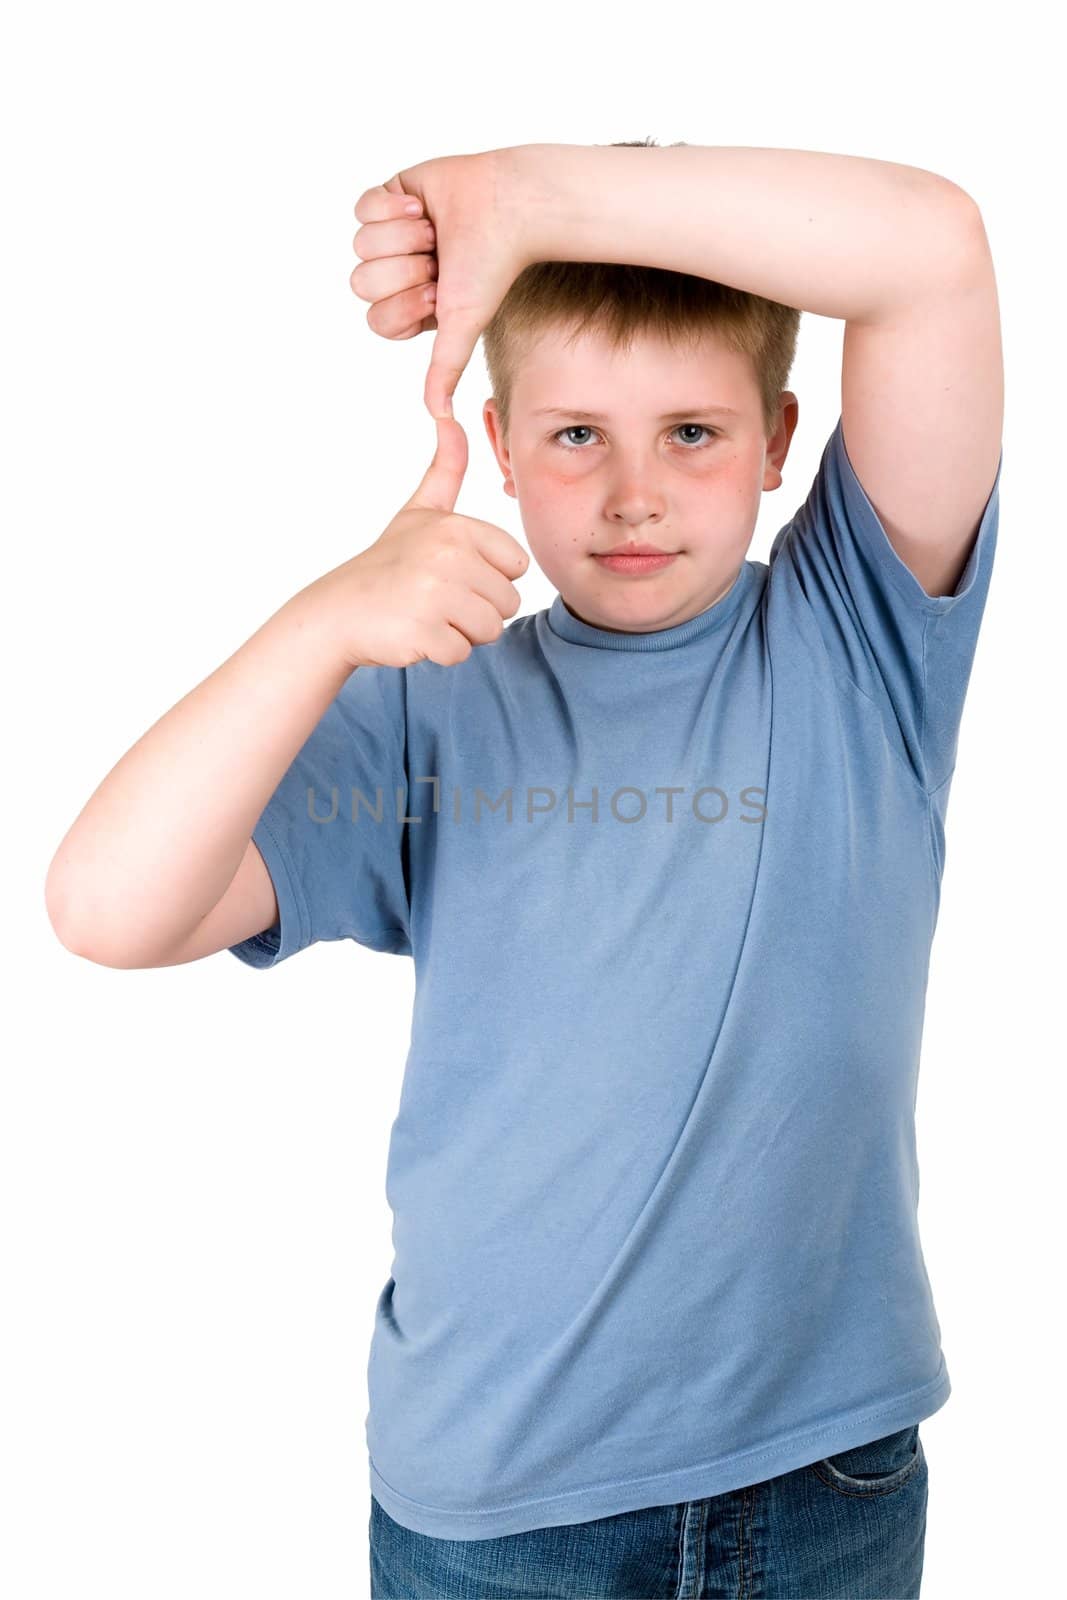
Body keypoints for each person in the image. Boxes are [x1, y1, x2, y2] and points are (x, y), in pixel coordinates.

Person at [45, 138, 1004, 1598]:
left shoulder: (854, 639)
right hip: (501, 1510)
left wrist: (532, 200)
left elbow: (931, 249)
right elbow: (106, 909)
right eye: (576, 436)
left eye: (693, 431)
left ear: (781, 436)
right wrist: (316, 627)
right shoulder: (431, 699)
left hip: (823, 1478)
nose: (633, 493)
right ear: (498, 444)